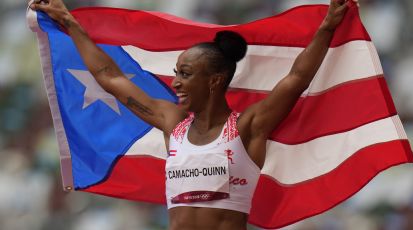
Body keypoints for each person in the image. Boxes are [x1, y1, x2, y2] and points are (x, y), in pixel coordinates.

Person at [30, 0, 353, 229]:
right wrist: (70, 23)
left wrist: (326, 28)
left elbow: (296, 79)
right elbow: (110, 78)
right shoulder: (173, 123)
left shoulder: (247, 127)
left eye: (185, 74)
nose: (176, 82)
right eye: (176, 73)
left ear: (214, 81)